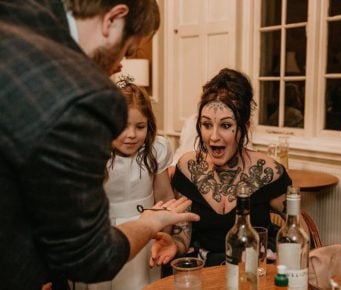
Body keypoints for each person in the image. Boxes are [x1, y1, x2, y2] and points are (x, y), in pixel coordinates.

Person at [0, 1, 198, 289]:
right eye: (127, 50)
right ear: (112, 20)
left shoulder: (20, 14)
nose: (120, 65)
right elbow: (91, 257)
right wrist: (151, 222)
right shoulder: (85, 98)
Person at [157, 68, 292, 267]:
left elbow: (297, 228)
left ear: (243, 126)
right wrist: (175, 246)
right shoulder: (188, 168)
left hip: (254, 273)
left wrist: (287, 260)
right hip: (206, 271)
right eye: (206, 124)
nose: (213, 137)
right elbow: (183, 233)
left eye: (226, 126)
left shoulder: (269, 171)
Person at [74, 80, 175, 289]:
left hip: (145, 232)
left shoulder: (156, 149)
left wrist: (165, 233)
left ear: (149, 124)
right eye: (122, 126)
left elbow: (164, 195)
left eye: (140, 127)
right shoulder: (94, 152)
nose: (131, 135)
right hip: (102, 233)